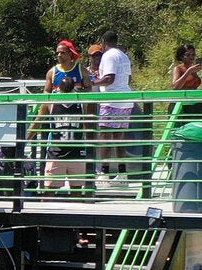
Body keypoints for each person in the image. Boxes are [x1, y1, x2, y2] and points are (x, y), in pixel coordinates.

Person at [43, 40, 90, 188]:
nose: (59, 55)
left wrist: (79, 94)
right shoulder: (53, 71)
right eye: (57, 52)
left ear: (70, 53)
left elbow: (89, 88)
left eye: (62, 52)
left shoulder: (80, 69)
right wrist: (51, 100)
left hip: (76, 114)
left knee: (77, 184)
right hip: (58, 116)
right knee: (50, 184)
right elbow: (46, 91)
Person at [93, 30, 135, 176]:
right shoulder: (124, 56)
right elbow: (127, 80)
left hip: (111, 101)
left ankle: (104, 173)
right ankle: (122, 174)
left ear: (103, 42)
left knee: (104, 136)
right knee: (119, 137)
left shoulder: (109, 55)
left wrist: (92, 81)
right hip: (126, 101)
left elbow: (109, 78)